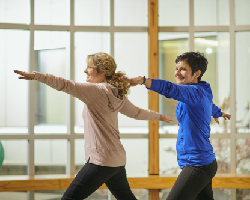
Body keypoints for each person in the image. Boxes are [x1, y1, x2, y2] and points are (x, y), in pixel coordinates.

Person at [14, 52, 173, 200]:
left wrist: (37, 76)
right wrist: (159, 116)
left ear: (102, 71)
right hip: (116, 160)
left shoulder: (97, 90)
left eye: (89, 67)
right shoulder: (117, 93)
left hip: (102, 160)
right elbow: (137, 113)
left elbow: (65, 85)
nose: (85, 70)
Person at [123, 51, 231, 200]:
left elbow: (169, 89)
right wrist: (218, 112)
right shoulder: (199, 92)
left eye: (183, 69)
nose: (177, 73)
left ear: (197, 73)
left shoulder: (194, 92)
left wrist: (143, 80)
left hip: (198, 164)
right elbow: (209, 104)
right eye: (176, 69)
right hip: (202, 162)